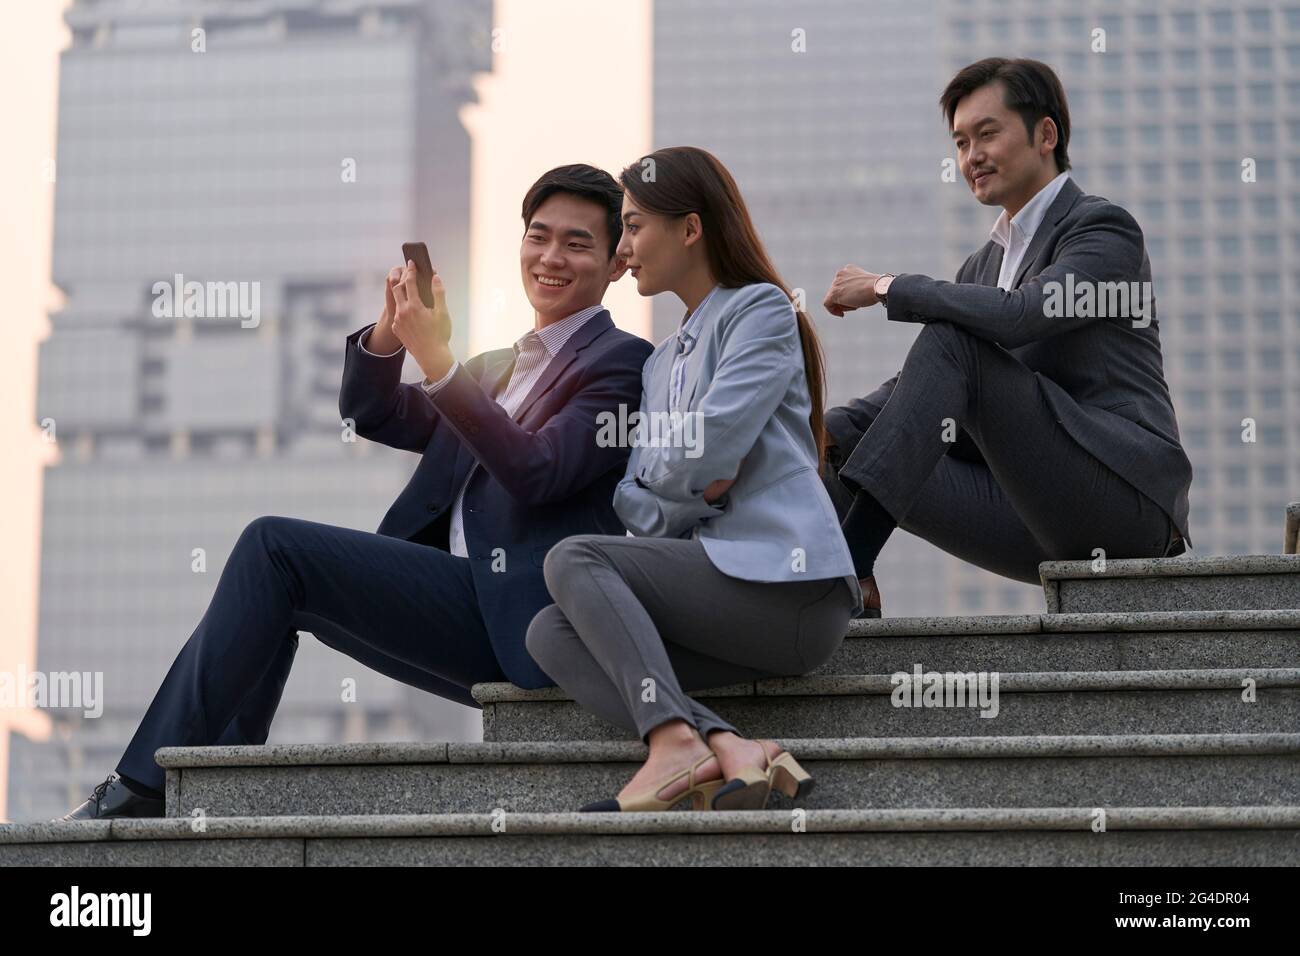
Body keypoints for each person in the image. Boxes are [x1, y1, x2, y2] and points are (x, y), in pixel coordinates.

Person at [59, 164, 654, 820]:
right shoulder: (491, 370)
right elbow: (371, 413)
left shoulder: (622, 364)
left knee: (273, 547)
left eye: (576, 243)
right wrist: (393, 334)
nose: (550, 257)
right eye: (538, 237)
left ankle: (142, 789)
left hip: (522, 618)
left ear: (616, 263)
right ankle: (209, 789)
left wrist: (439, 363)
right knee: (276, 586)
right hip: (450, 599)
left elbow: (537, 471)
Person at [525, 146, 862, 813]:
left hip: (790, 588)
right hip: (722, 588)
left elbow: (692, 460)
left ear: (690, 228)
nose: (623, 248)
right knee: (548, 633)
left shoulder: (759, 310)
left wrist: (678, 473)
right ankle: (720, 744)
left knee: (574, 557)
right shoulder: (660, 363)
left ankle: (676, 746)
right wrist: (687, 477)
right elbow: (642, 505)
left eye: (634, 226)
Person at [821, 57, 1193, 618]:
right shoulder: (982, 265)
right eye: (961, 141)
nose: (972, 156)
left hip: (1125, 502)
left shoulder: (1102, 229)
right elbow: (915, 394)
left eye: (987, 133)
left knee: (952, 342)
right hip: (1032, 516)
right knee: (838, 438)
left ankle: (848, 565)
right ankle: (840, 594)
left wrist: (886, 286)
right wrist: (815, 431)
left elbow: (1022, 315)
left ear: (1046, 134)